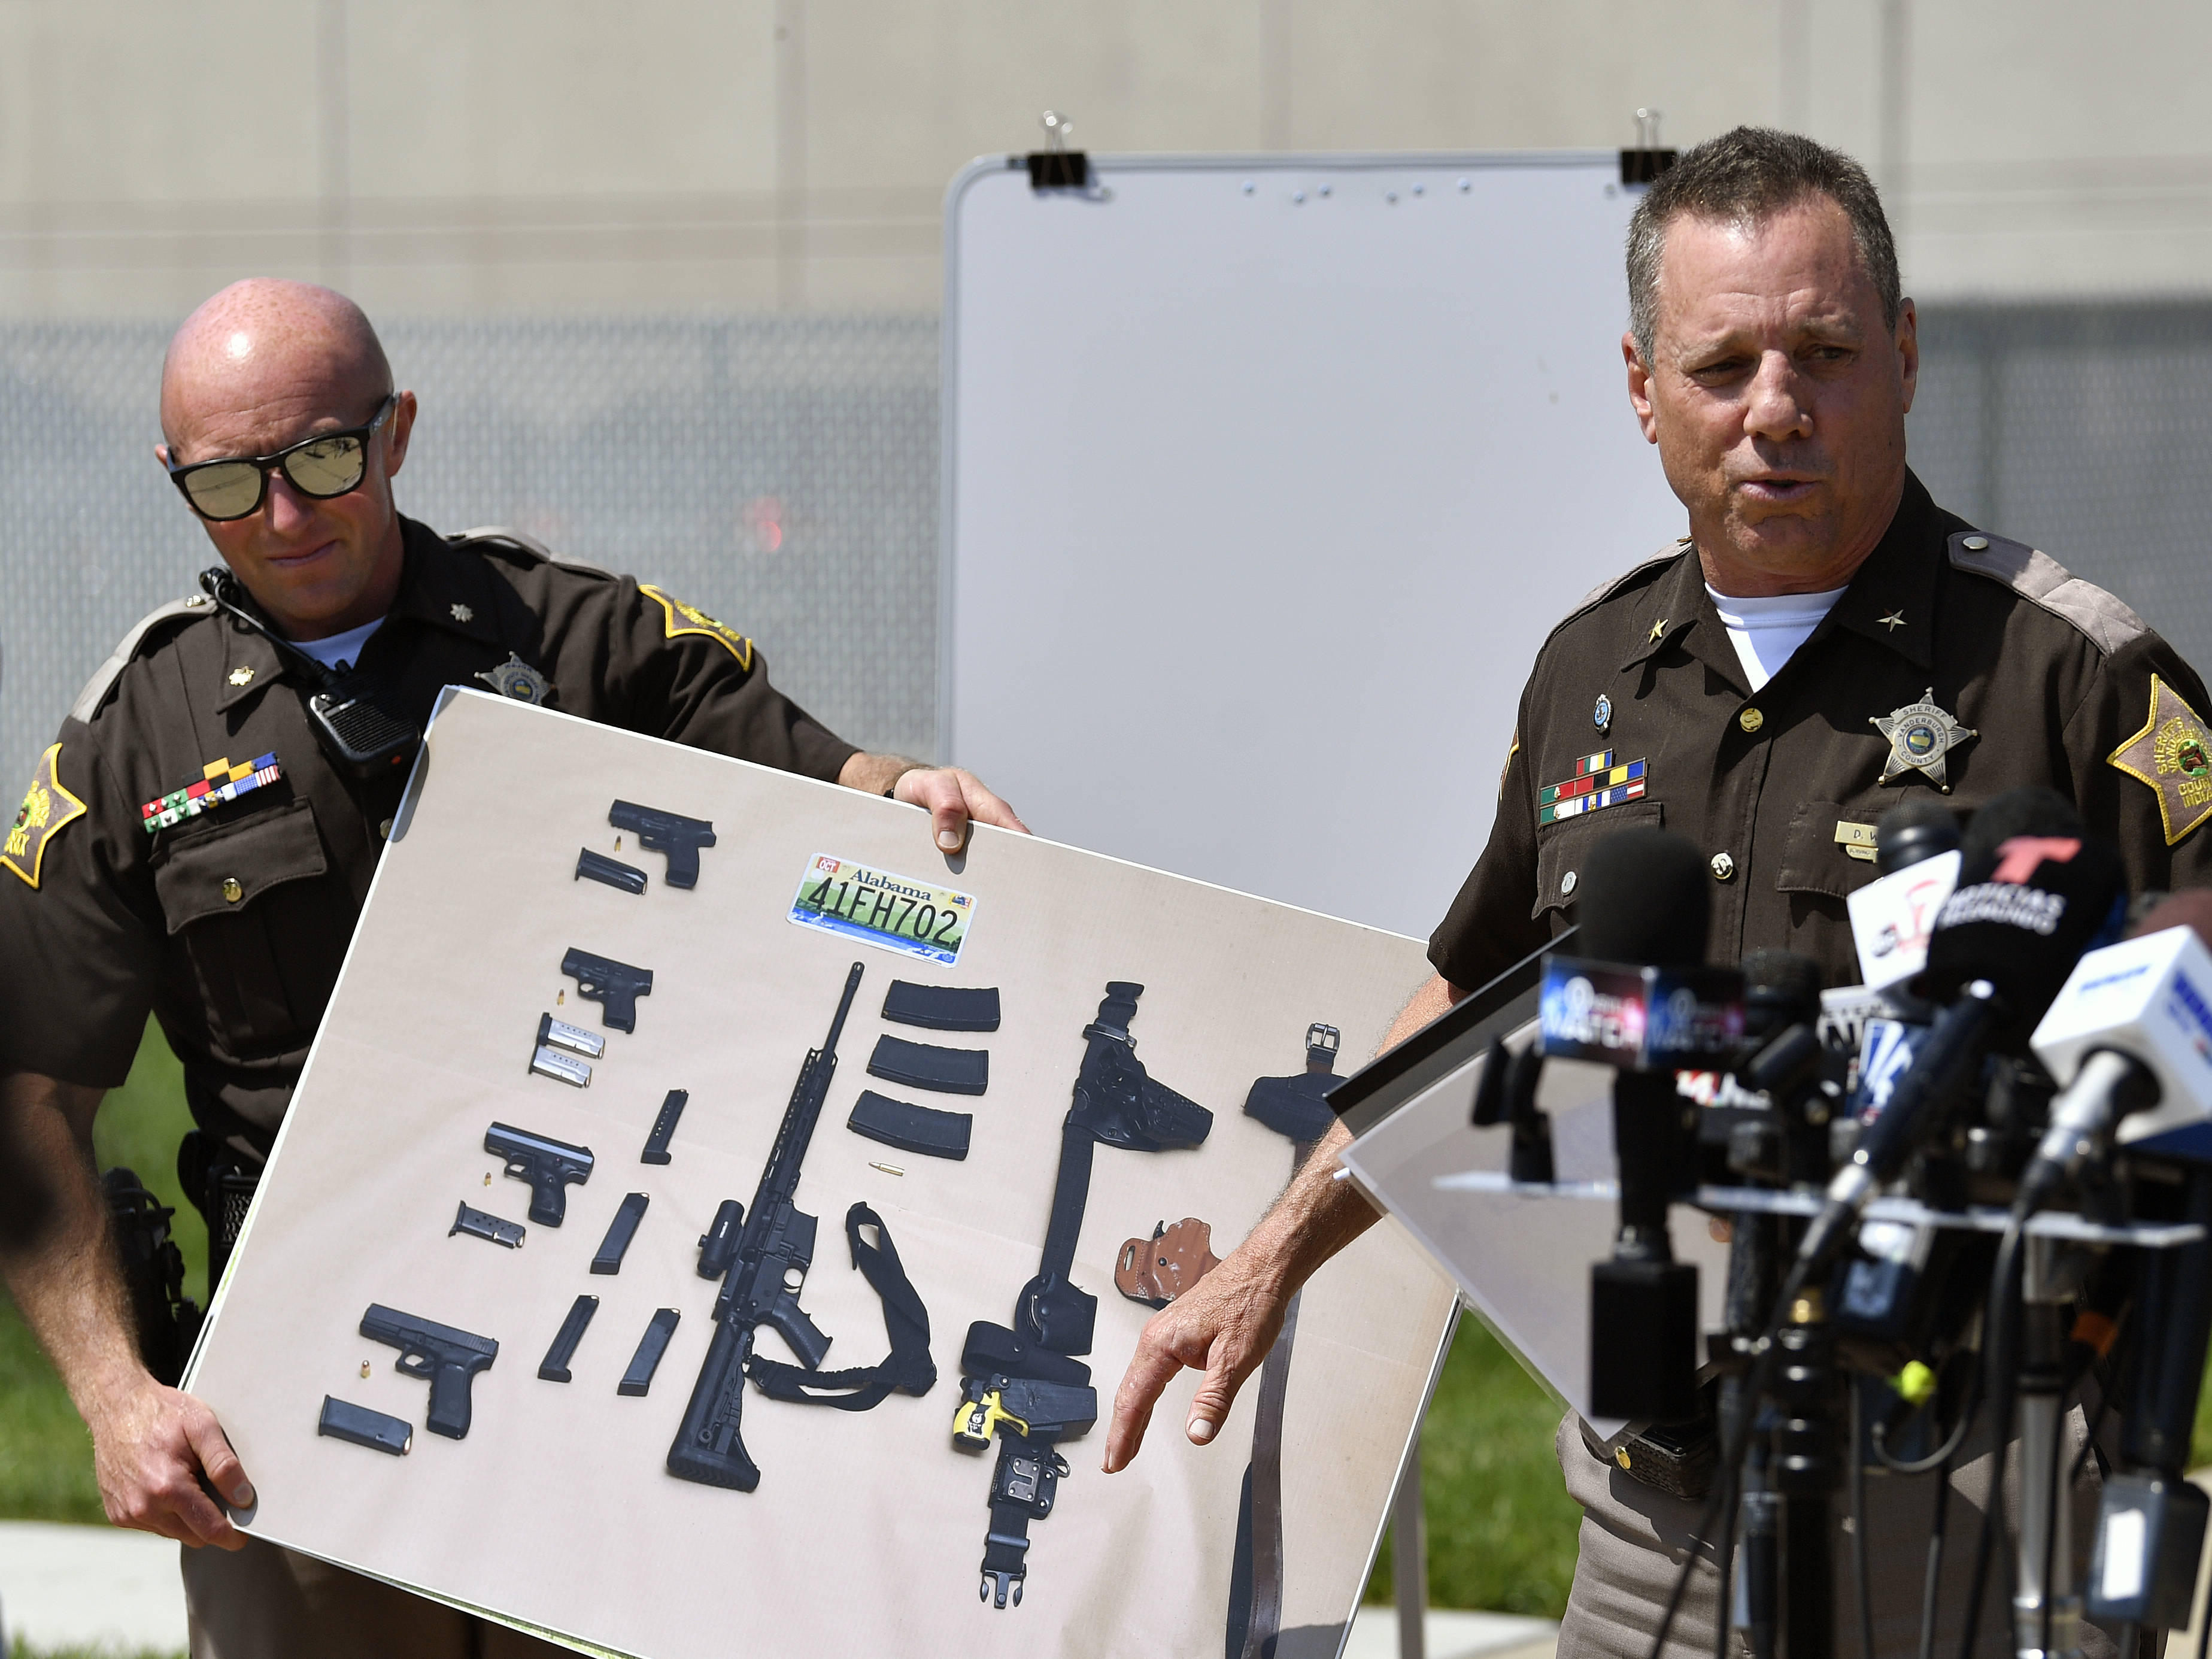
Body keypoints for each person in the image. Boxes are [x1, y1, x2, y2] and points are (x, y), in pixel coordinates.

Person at [1105, 128, 2212, 1656]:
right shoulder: (1591, 675)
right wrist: (1267, 1256)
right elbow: (1477, 999)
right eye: (1723, 364)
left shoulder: (2073, 673)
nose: (1777, 408)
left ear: (1902, 353)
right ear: (1641, 388)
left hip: (1967, 1512)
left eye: (1824, 352)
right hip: (1650, 1522)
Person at [0, 278, 1025, 1657]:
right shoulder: (138, 731)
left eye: (319, 459)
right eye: (230, 485)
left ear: (398, 432)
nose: (285, 517)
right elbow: (32, 1095)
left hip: (608, 1366)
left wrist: (912, 793)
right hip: (299, 1402)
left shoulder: (585, 640)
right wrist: (117, 1397)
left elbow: (837, 791)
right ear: (176, 478)